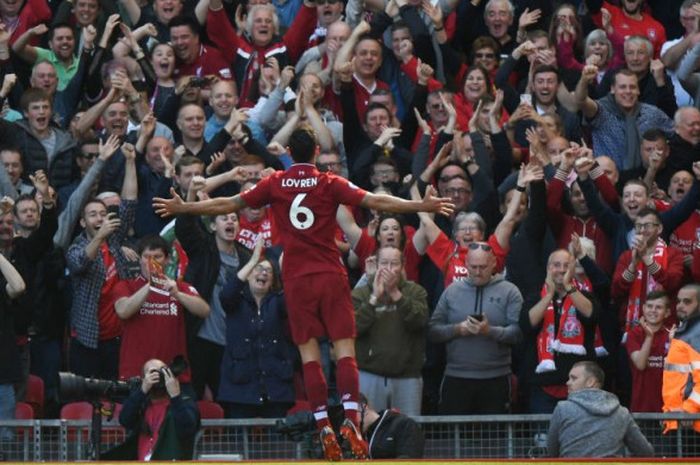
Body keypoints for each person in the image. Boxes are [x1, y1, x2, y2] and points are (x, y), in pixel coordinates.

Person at [153, 127, 453, 461]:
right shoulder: (328, 181)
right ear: (313, 153)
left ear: (291, 154)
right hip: (328, 273)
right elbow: (374, 199)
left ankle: (323, 422)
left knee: (309, 355)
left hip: (295, 277)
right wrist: (419, 203)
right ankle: (351, 422)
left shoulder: (275, 182)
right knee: (344, 351)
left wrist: (186, 208)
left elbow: (230, 202)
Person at [427, 243, 523, 414]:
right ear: (465, 264)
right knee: (454, 436)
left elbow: (518, 333)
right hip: (456, 376)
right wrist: (458, 329)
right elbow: (433, 331)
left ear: (494, 262)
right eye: (473, 267)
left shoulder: (510, 291)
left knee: (493, 437)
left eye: (483, 267)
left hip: (496, 377)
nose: (478, 272)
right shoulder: (452, 291)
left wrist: (490, 331)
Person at [352, 245, 428, 416]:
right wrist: (373, 299)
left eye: (394, 264)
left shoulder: (416, 291)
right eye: (384, 263)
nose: (388, 269)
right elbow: (353, 329)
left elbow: (420, 322)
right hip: (369, 374)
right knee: (368, 431)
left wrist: (395, 294)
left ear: (402, 266)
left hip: (407, 377)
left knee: (407, 431)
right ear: (376, 265)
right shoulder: (360, 294)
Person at [547, 361, 654, 457]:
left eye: (573, 378)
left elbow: (552, 452)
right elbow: (646, 452)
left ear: (591, 382)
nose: (568, 382)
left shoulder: (562, 409)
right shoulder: (621, 413)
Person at [115, 358, 199, 460]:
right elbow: (125, 420)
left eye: (161, 372)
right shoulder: (142, 405)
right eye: (152, 373)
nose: (158, 377)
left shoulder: (184, 403)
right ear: (144, 379)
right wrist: (142, 390)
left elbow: (187, 429)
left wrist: (176, 396)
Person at [662, 284, 700, 434]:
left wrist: (689, 409)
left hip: (690, 423)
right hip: (679, 421)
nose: (680, 306)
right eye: (678, 301)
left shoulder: (695, 333)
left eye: (687, 301)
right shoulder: (686, 331)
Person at [625, 290, 670, 412]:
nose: (653, 310)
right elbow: (640, 364)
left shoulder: (671, 336)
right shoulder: (634, 334)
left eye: (659, 307)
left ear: (667, 313)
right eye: (650, 306)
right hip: (641, 406)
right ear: (643, 308)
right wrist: (649, 337)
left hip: (667, 406)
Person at [357, 393, 424, 459]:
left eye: (352, 415)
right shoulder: (358, 436)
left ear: (364, 407)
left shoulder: (404, 425)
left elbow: (409, 459)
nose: (349, 423)